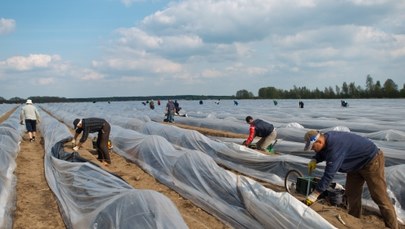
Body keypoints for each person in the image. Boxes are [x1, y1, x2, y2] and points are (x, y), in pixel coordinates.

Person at [304, 130, 398, 229]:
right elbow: (323, 151)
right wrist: (315, 159)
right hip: (355, 164)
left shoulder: (335, 147)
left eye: (313, 147)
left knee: (379, 196)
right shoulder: (325, 139)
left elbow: (329, 175)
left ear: (319, 141)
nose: (313, 150)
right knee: (352, 193)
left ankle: (392, 226)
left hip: (371, 161)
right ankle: (355, 221)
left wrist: (315, 194)